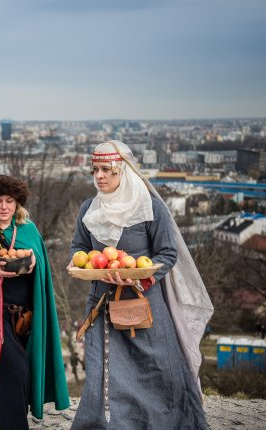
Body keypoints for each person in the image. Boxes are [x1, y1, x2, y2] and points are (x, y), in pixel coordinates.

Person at [68, 140, 213, 429]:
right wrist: (86, 267)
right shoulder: (89, 208)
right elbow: (78, 249)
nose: (99, 176)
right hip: (102, 305)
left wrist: (141, 277)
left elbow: (167, 254)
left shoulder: (151, 207)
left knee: (157, 369)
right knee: (103, 372)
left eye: (107, 170)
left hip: (145, 303)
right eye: (95, 170)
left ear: (123, 170)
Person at [0, 175, 69, 429]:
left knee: (13, 373)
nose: (4, 207)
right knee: (15, 371)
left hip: (26, 317)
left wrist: (32, 265)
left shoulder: (28, 229)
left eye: (10, 201)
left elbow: (41, 268)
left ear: (18, 204)